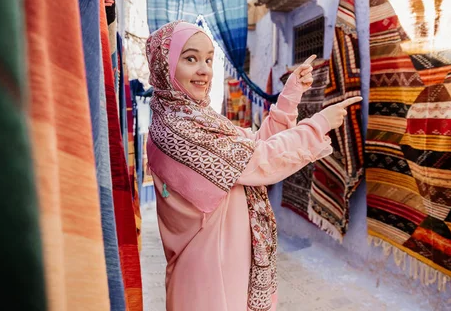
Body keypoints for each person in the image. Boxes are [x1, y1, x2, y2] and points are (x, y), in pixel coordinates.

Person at [146, 20, 362, 311]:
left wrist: (290, 94)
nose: (204, 70)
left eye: (209, 59)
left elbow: (253, 147)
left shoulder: (199, 118)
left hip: (229, 264)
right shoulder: (176, 128)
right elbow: (259, 161)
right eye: (190, 58)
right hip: (208, 275)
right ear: (165, 66)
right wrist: (318, 125)